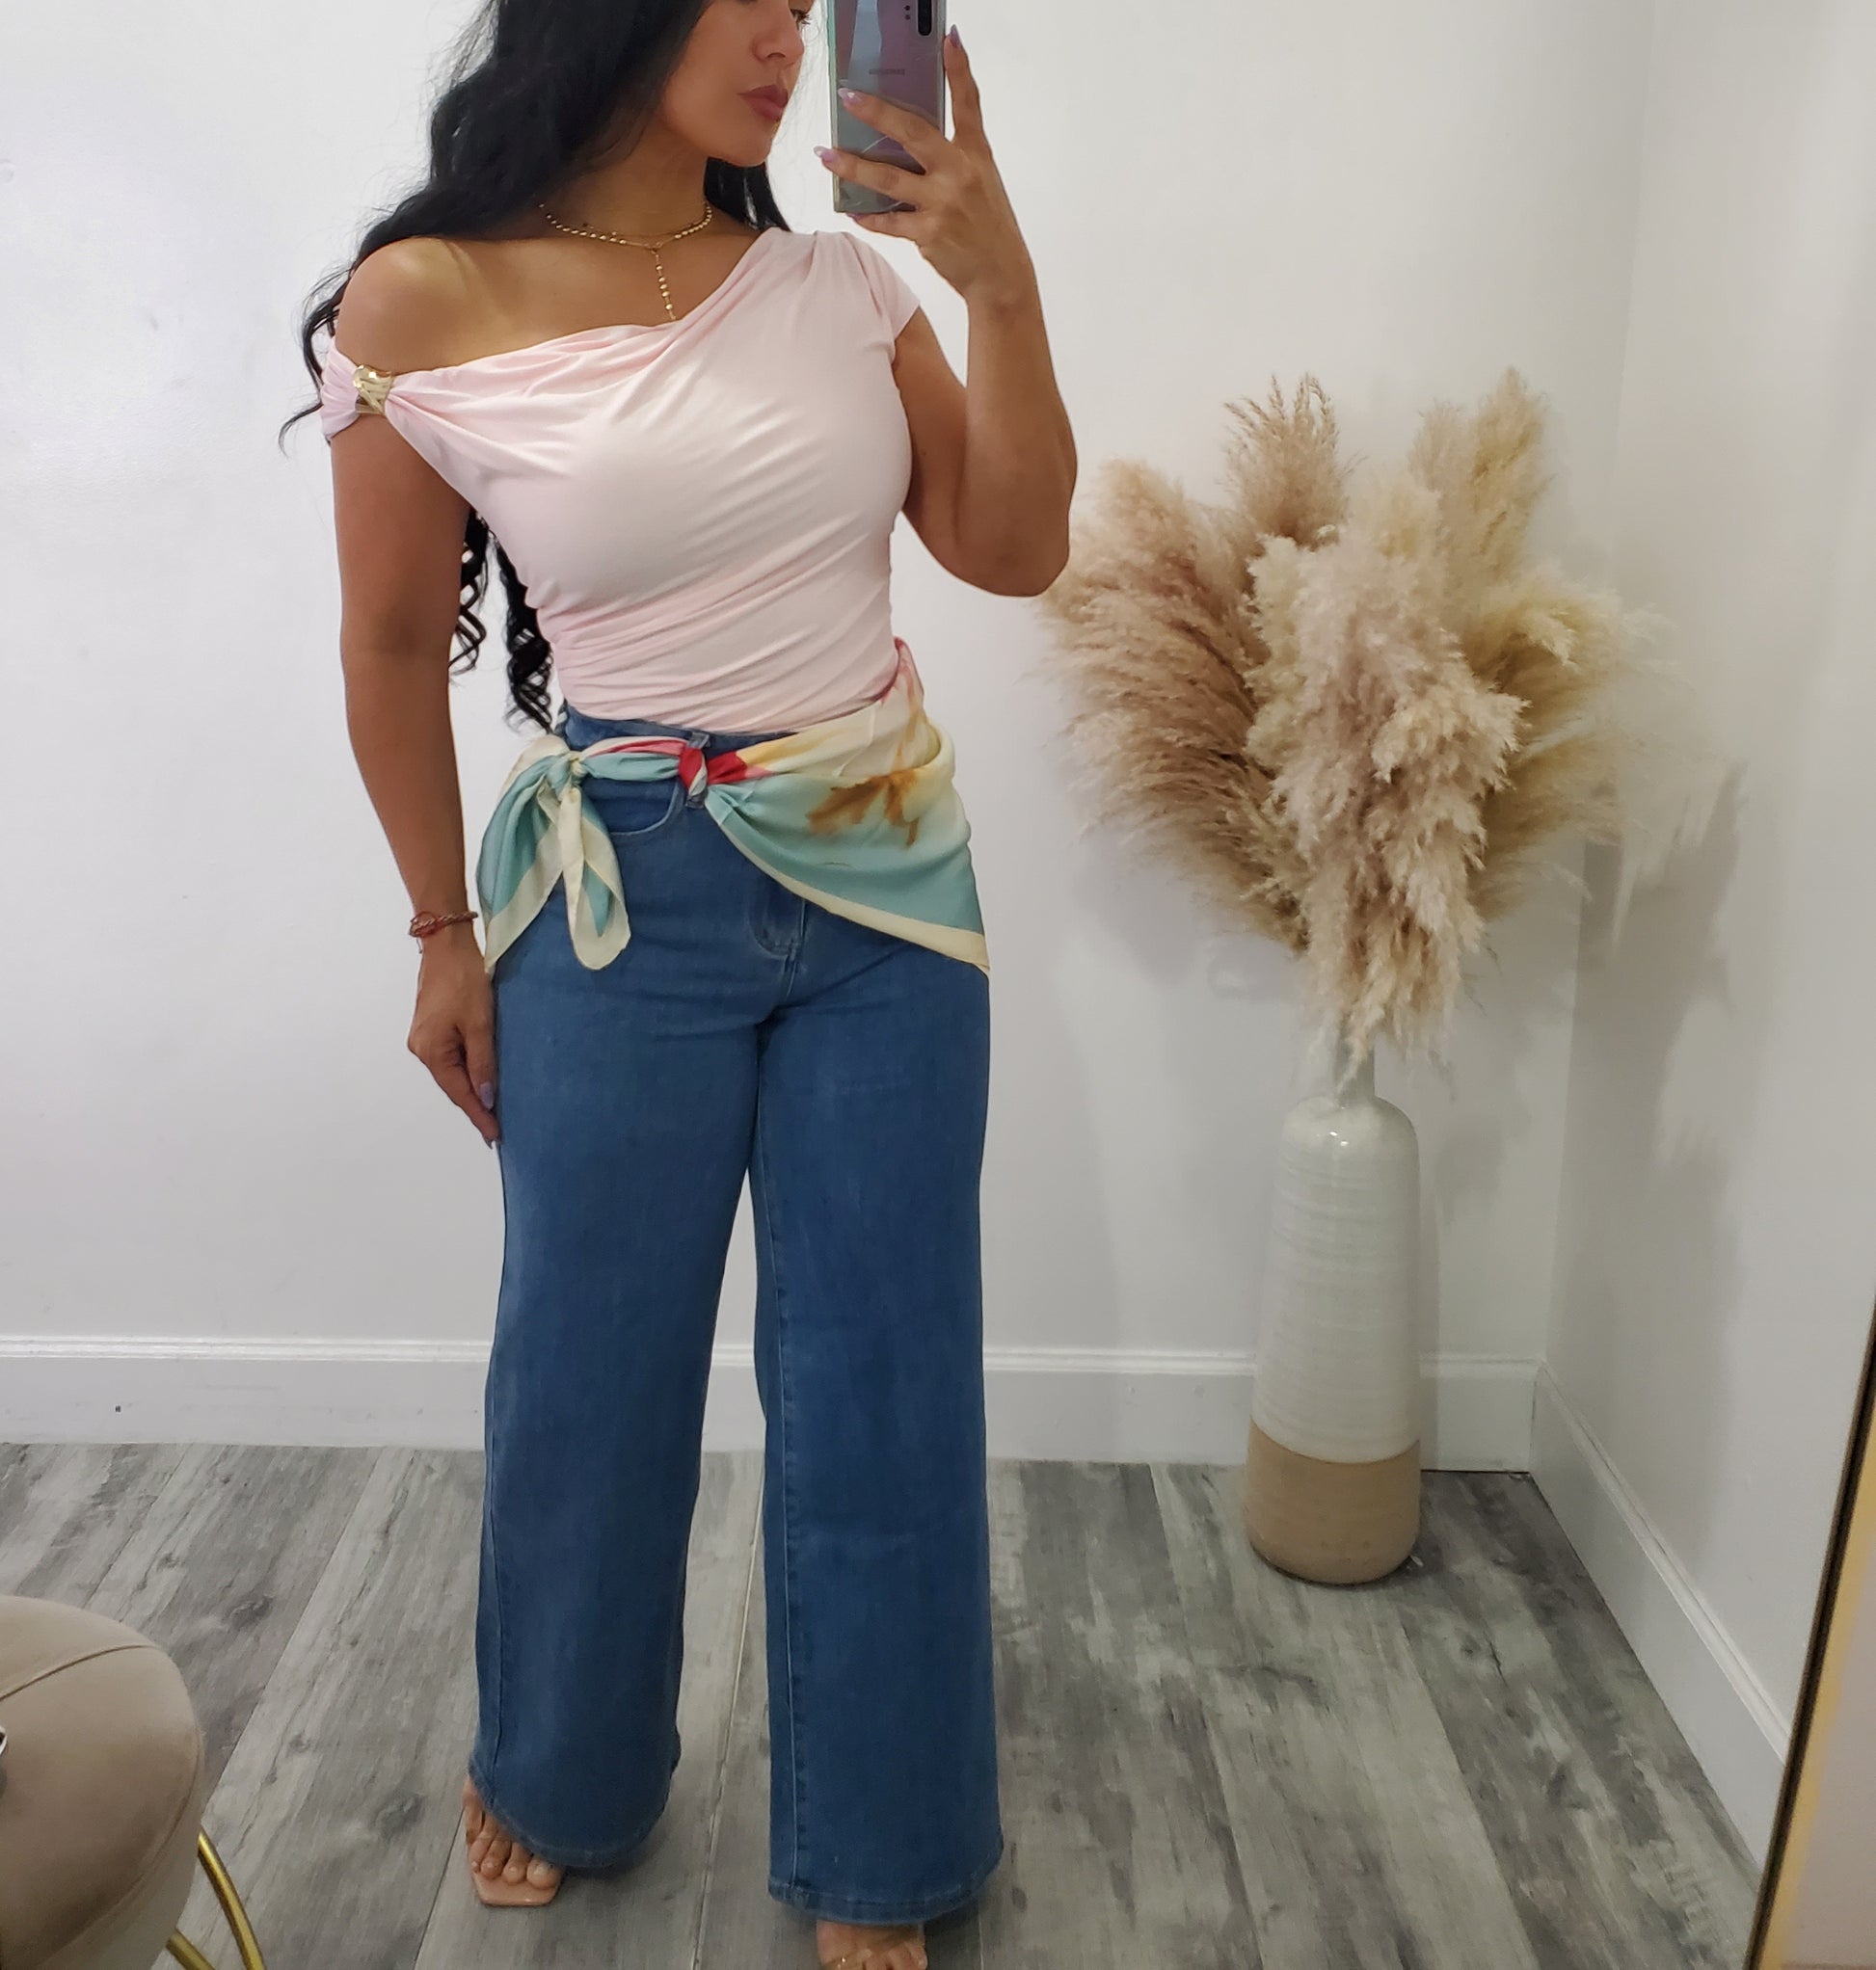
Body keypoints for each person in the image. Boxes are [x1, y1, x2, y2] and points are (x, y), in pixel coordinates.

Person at [290, 1, 1074, 1964]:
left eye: (806, 5)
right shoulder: (424, 301)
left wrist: (997, 285)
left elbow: (1012, 546)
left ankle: (885, 1837)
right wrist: (438, 934)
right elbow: (385, 646)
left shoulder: (839, 287)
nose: (786, 31)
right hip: (614, 905)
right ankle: (556, 1764)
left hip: (884, 891)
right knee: (589, 1368)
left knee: (884, 1374)